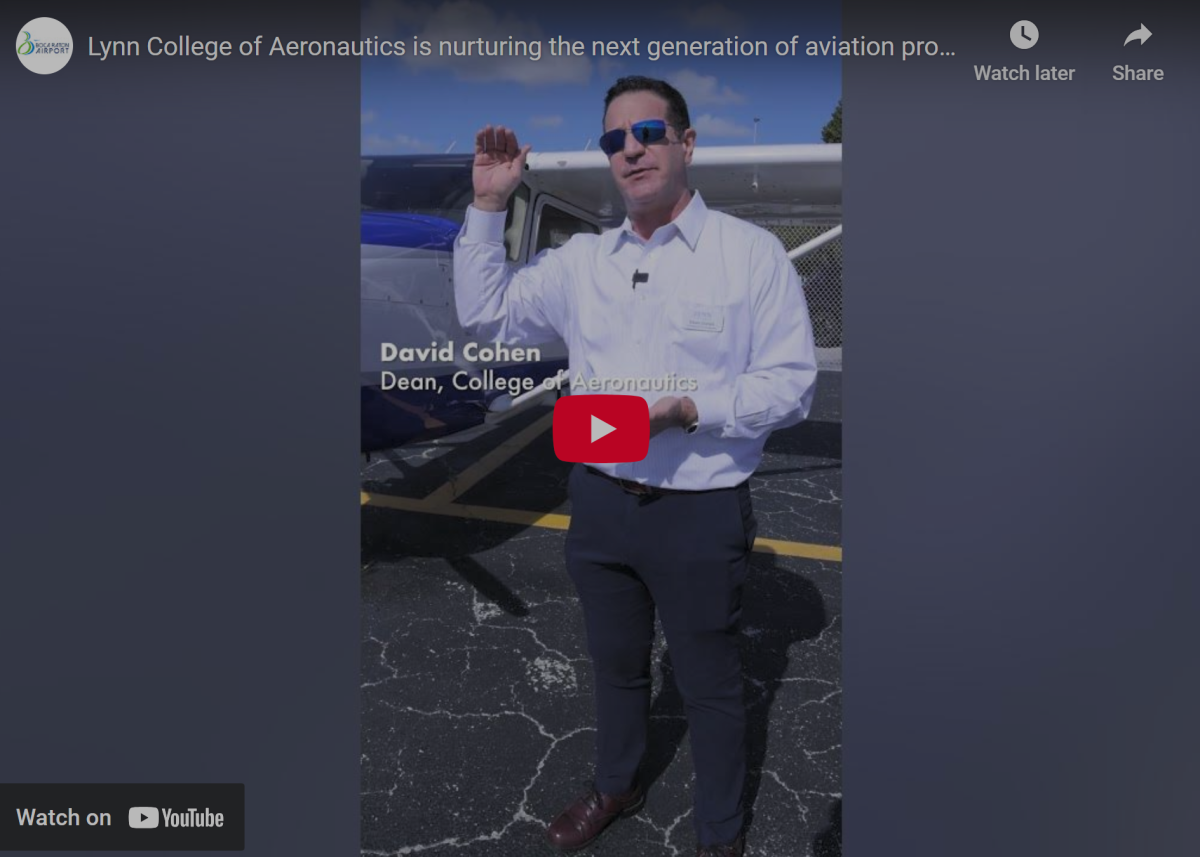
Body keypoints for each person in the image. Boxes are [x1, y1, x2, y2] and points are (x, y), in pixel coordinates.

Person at [453, 76, 817, 857]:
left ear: (687, 143)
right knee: (615, 665)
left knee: (710, 684)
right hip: (598, 500)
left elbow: (792, 385)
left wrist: (688, 408)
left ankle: (720, 832)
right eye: (614, 139)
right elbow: (486, 316)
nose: (630, 150)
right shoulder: (583, 262)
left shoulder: (749, 255)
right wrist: (487, 205)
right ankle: (618, 783)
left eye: (648, 132)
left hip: (699, 507)